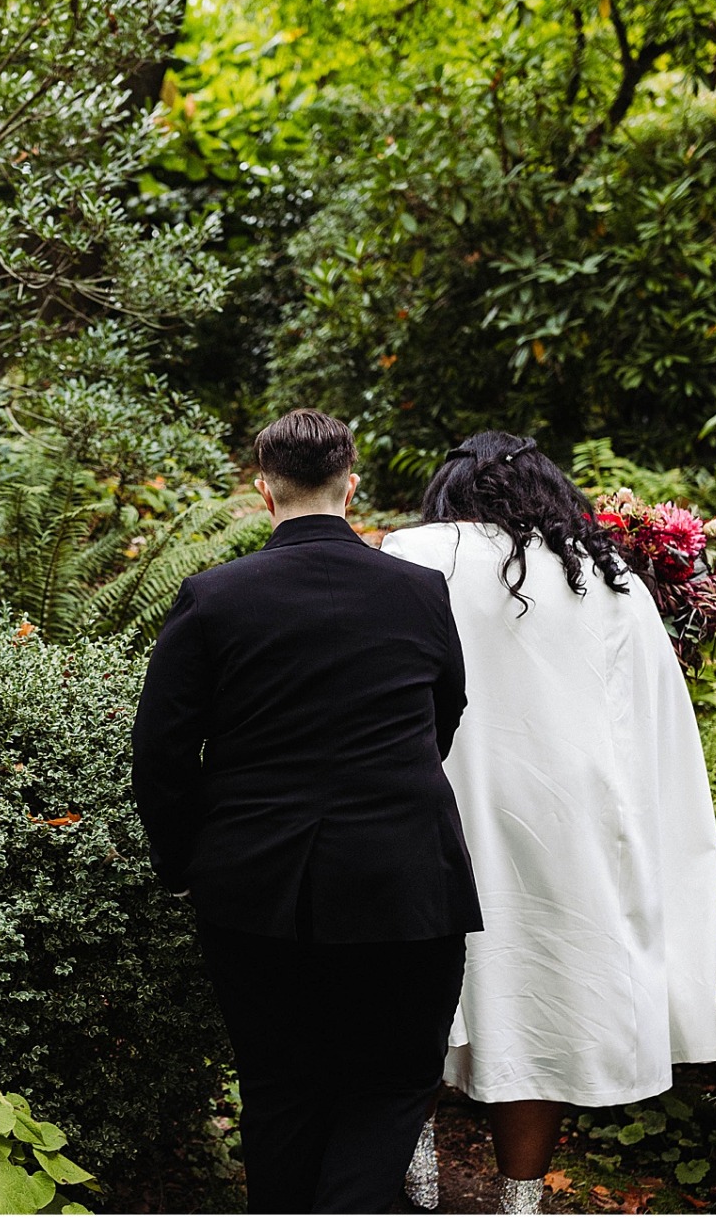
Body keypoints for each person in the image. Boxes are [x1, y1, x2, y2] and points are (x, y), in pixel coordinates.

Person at [132, 408, 480, 1214]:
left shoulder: (213, 597)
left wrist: (185, 863)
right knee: (392, 1082)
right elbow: (443, 717)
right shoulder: (418, 591)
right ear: (350, 487)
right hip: (404, 881)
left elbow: (162, 751)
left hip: (256, 886)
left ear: (265, 490)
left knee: (280, 1087)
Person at [380, 431, 716, 1215]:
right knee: (538, 991)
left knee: (419, 991)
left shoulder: (414, 554)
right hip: (564, 820)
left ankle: (419, 1171)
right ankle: (521, 1199)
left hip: (433, 797)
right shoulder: (611, 583)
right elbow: (655, 725)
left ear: (447, 494)